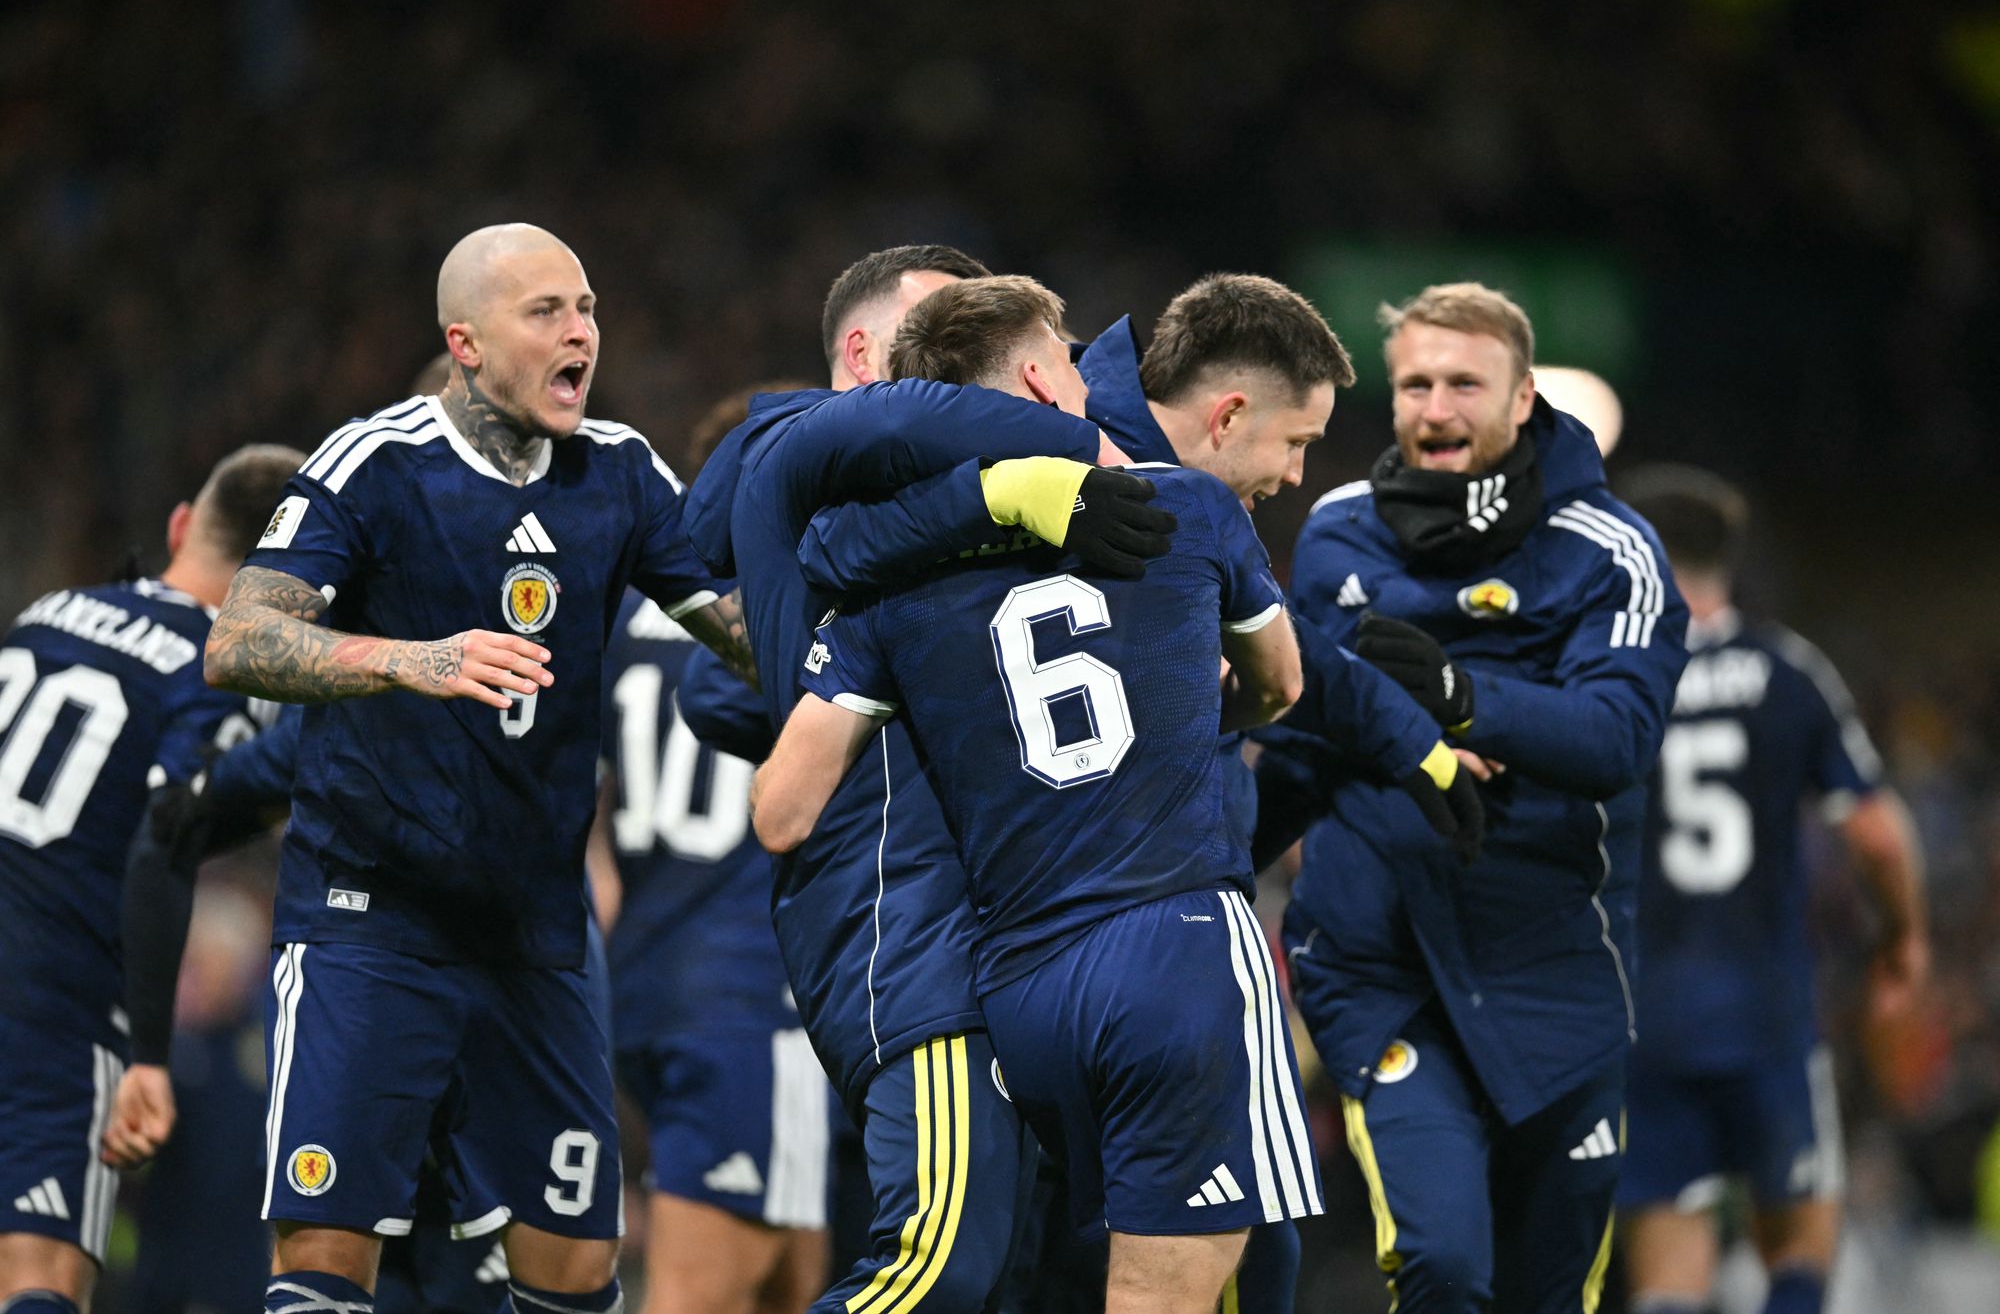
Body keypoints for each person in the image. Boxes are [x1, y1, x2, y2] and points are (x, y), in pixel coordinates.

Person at [789, 271, 1483, 1313]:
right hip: (1148, 940)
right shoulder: (1128, 479)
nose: (1297, 476)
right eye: (1296, 444)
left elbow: (836, 562)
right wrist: (1404, 743)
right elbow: (1294, 675)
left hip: (1026, 966)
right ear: (1229, 412)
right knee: (1206, 1266)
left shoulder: (997, 483)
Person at [197, 222, 753, 1314]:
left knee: (578, 1274)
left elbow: (738, 629)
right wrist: (414, 659)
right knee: (323, 1264)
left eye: (587, 308)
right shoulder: (377, 462)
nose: (580, 331)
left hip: (533, 935)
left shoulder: (622, 471)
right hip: (371, 919)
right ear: (464, 340)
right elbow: (238, 639)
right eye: (546, 311)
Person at [680, 244, 1171, 1314]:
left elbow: (713, 696)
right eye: (939, 336)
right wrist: (1079, 444)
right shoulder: (789, 436)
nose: (966, 364)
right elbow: (888, 432)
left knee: (998, 1283)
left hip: (1001, 941)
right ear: (864, 353)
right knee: (933, 1270)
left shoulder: (903, 529)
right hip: (910, 933)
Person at [1272, 282, 1690, 1312]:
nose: (1434, 407)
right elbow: (1299, 745)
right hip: (1384, 967)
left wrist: (1460, 699)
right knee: (1444, 1265)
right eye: (1414, 383)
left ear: (1519, 402)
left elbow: (1615, 737)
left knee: (1542, 1295)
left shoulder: (1611, 550)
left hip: (1555, 970)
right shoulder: (1334, 538)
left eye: (1465, 382)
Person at [1615, 465, 1930, 1314]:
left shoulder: (1610, 683)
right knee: (1799, 1247)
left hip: (1647, 1017)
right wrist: (1903, 939)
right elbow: (1873, 830)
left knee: (1667, 1272)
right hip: (1768, 1010)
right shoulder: (1786, 669)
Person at [0, 443, 302, 1314]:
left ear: (180, 527)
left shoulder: (53, 610)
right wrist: (150, 1056)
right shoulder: (216, 667)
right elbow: (162, 842)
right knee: (40, 1279)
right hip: (53, 1001)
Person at [593, 383, 833, 1314]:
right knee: (702, 1292)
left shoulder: (625, 616)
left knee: (791, 1273)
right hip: (749, 990)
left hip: (644, 975)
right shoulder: (789, 610)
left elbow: (587, 820)